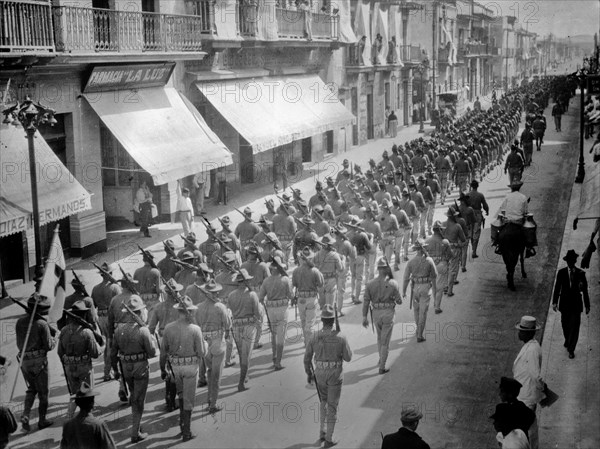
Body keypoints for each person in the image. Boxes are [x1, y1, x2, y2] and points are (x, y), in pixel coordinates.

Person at [304, 304, 352, 448]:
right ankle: (329, 438)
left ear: (322, 320)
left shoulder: (314, 336)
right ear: (333, 320)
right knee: (332, 406)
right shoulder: (341, 336)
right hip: (335, 374)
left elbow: (306, 358)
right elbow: (348, 357)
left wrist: (309, 373)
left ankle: (322, 431)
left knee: (323, 402)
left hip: (319, 373)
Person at [111, 295, 156, 443]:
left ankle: (137, 425)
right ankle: (135, 433)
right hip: (140, 366)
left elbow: (113, 354)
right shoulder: (143, 330)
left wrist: (115, 370)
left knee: (134, 397)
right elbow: (151, 353)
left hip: (126, 367)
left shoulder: (118, 330)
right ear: (139, 312)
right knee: (139, 400)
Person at [160, 296, 205, 441]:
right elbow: (202, 352)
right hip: (191, 367)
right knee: (188, 400)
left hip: (175, 368)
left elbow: (163, 353)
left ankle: (182, 424)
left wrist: (162, 369)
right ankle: (187, 431)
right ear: (189, 312)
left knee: (181, 396)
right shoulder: (195, 329)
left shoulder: (168, 328)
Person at [16, 293, 56, 431]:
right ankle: (42, 420)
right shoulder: (42, 324)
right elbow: (48, 346)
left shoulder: (19, 322)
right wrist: (54, 339)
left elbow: (18, 344)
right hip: (39, 361)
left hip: (24, 360)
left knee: (31, 389)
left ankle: (26, 415)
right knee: (43, 392)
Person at [57, 300, 103, 418]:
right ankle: (88, 421)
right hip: (84, 367)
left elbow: (60, 352)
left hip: (69, 367)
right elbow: (95, 353)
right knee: (87, 395)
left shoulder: (64, 331)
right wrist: (103, 346)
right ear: (83, 315)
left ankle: (69, 418)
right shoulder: (87, 332)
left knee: (74, 395)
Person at [195, 279, 230, 414]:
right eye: (216, 292)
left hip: (204, 341)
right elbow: (227, 325)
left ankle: (210, 399)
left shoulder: (198, 307)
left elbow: (196, 324)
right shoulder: (220, 306)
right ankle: (213, 403)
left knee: (210, 371)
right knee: (217, 374)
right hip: (217, 341)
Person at [363, 257, 402, 373]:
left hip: (376, 313)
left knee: (380, 338)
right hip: (388, 313)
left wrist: (364, 317)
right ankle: (382, 366)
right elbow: (399, 301)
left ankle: (381, 359)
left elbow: (366, 302)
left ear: (378, 269)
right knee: (385, 341)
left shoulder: (370, 284)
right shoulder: (393, 283)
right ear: (386, 269)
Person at [513, 316, 544, 449]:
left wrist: (542, 393)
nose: (518, 333)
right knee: (529, 427)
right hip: (525, 395)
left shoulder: (531, 350)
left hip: (526, 397)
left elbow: (536, 376)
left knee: (525, 430)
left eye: (521, 331)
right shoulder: (530, 346)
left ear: (528, 333)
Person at [552, 249, 590, 359]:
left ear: (574, 261)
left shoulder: (581, 274)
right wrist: (554, 302)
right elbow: (557, 287)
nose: (570, 263)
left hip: (576, 305)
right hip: (564, 305)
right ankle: (567, 339)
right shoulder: (561, 273)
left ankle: (571, 349)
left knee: (574, 327)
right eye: (569, 261)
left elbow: (585, 291)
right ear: (567, 262)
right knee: (565, 325)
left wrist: (587, 305)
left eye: (572, 261)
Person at [258, 256, 293, 370]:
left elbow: (260, 297)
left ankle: (274, 356)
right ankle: (278, 361)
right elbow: (290, 295)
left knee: (273, 334)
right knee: (281, 335)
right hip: (282, 308)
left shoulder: (266, 281)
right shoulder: (285, 279)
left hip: (271, 309)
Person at [60, 382, 116, 449]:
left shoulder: (67, 425)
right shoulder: (99, 425)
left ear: (77, 404)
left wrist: (69, 413)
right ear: (92, 404)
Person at [90, 262, 122, 381]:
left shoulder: (95, 288)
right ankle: (109, 371)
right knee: (112, 345)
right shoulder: (114, 287)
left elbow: (93, 305)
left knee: (108, 344)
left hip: (101, 317)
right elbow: (119, 303)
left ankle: (109, 371)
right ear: (110, 274)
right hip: (111, 317)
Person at [402, 240, 437, 342]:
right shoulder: (429, 260)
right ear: (424, 248)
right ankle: (419, 335)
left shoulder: (411, 262)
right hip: (425, 287)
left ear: (416, 250)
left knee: (416, 311)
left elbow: (405, 278)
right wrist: (434, 291)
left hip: (415, 288)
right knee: (423, 312)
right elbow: (434, 276)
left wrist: (404, 291)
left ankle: (419, 330)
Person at [425, 221, 452, 314]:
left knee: (434, 285)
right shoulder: (445, 241)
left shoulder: (427, 241)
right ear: (440, 230)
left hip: (430, 265)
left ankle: (435, 302)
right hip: (441, 264)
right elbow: (450, 255)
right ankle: (437, 306)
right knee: (440, 287)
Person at [468, 180, 489, 258]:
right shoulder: (480, 195)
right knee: (476, 232)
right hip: (477, 215)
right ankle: (474, 251)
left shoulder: (468, 195)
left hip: (469, 215)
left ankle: (473, 247)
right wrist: (487, 211)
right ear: (477, 186)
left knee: (471, 232)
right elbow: (485, 205)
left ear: (471, 186)